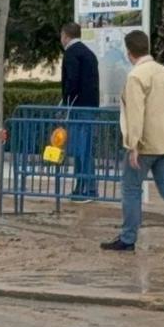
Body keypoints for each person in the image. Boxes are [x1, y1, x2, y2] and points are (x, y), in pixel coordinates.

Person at [103, 30, 164, 256]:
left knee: (131, 189)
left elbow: (136, 113)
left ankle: (128, 238)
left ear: (129, 53)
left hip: (146, 144)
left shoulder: (136, 77)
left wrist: (133, 145)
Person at [60, 22, 101, 200]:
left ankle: (86, 189)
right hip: (91, 105)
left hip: (78, 106)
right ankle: (84, 187)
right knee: (86, 148)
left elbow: (71, 81)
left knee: (81, 149)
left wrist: (65, 101)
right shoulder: (89, 53)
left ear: (65, 35)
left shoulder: (71, 53)